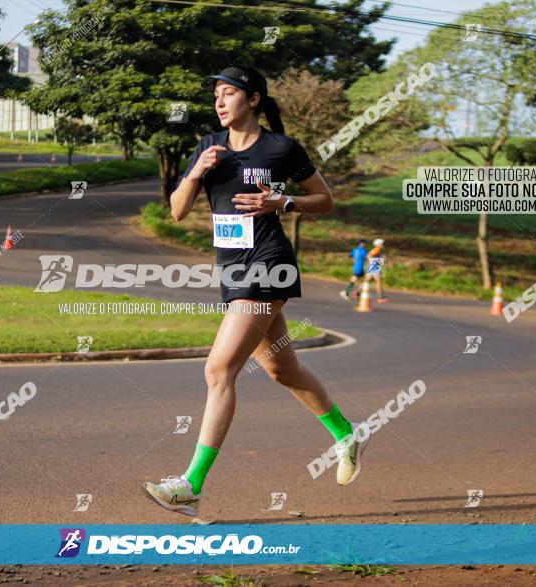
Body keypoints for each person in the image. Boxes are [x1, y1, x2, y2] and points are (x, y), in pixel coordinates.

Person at [143, 64, 370, 517]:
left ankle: (191, 484)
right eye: (216, 96)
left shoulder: (281, 148)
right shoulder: (208, 147)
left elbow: (325, 200)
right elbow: (176, 211)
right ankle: (346, 433)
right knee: (282, 370)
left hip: (269, 266)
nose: (220, 102)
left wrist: (280, 202)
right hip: (232, 269)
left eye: (229, 94)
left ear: (253, 100)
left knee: (218, 369)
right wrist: (194, 174)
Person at [365, 238, 389, 303]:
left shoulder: (379, 250)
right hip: (375, 266)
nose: (383, 244)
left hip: (375, 266)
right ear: (378, 244)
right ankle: (380, 297)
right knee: (379, 281)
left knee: (368, 281)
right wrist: (374, 263)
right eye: (382, 243)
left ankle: (358, 292)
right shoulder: (377, 250)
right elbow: (369, 255)